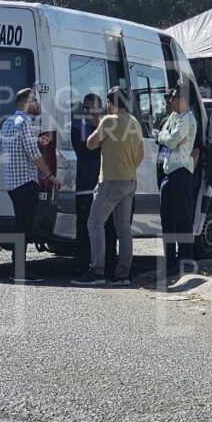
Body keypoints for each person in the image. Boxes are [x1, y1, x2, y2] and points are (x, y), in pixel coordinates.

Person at [72, 87, 143, 287]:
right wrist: (128, 166)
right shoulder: (135, 123)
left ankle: (97, 270)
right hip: (130, 180)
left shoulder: (109, 121)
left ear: (110, 103)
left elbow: (91, 144)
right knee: (124, 229)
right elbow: (140, 154)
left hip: (111, 180)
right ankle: (123, 274)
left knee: (94, 223)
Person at [0, 88, 58, 281]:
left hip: (12, 183)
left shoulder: (7, 123)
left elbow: (2, 150)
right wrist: (49, 175)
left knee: (20, 226)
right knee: (23, 228)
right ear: (25, 103)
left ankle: (18, 268)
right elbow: (34, 154)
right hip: (25, 182)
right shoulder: (24, 123)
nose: (38, 104)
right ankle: (19, 271)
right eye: (34, 100)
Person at [71, 93, 118, 278]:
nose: (92, 112)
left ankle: (109, 266)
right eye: (87, 109)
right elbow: (85, 150)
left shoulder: (107, 127)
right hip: (85, 186)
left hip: (105, 184)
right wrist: (98, 131)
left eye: (95, 108)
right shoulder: (78, 128)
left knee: (108, 228)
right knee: (84, 229)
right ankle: (83, 267)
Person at [157, 86, 198, 282]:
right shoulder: (174, 118)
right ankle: (169, 261)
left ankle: (185, 260)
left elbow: (170, 141)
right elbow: (162, 134)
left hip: (181, 171)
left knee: (182, 218)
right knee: (167, 219)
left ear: (182, 99)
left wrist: (162, 137)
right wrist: (163, 137)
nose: (170, 101)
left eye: (173, 98)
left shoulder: (187, 119)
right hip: (168, 171)